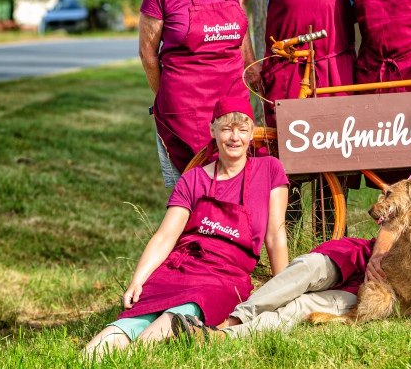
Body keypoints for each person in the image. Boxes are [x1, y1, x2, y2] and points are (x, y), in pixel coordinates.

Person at [170, 127, 411, 342]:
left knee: (306, 305)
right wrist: (377, 256)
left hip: (399, 286)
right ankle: (235, 317)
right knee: (308, 268)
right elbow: (391, 222)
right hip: (372, 254)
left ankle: (222, 336)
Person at [82, 98, 288, 359]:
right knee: (128, 323)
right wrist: (138, 280)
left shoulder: (269, 169)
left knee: (174, 317)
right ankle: (86, 358)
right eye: (226, 129)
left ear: (251, 132)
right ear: (213, 130)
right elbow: (165, 235)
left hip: (224, 276)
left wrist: (283, 292)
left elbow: (275, 235)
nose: (234, 137)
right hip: (180, 267)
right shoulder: (194, 178)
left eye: (242, 129)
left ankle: (134, 359)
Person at [139, 0, 257, 187]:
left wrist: (253, 73)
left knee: (239, 187)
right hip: (185, 111)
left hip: (233, 107)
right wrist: (166, 95)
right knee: (191, 195)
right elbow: (147, 52)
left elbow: (241, 38)